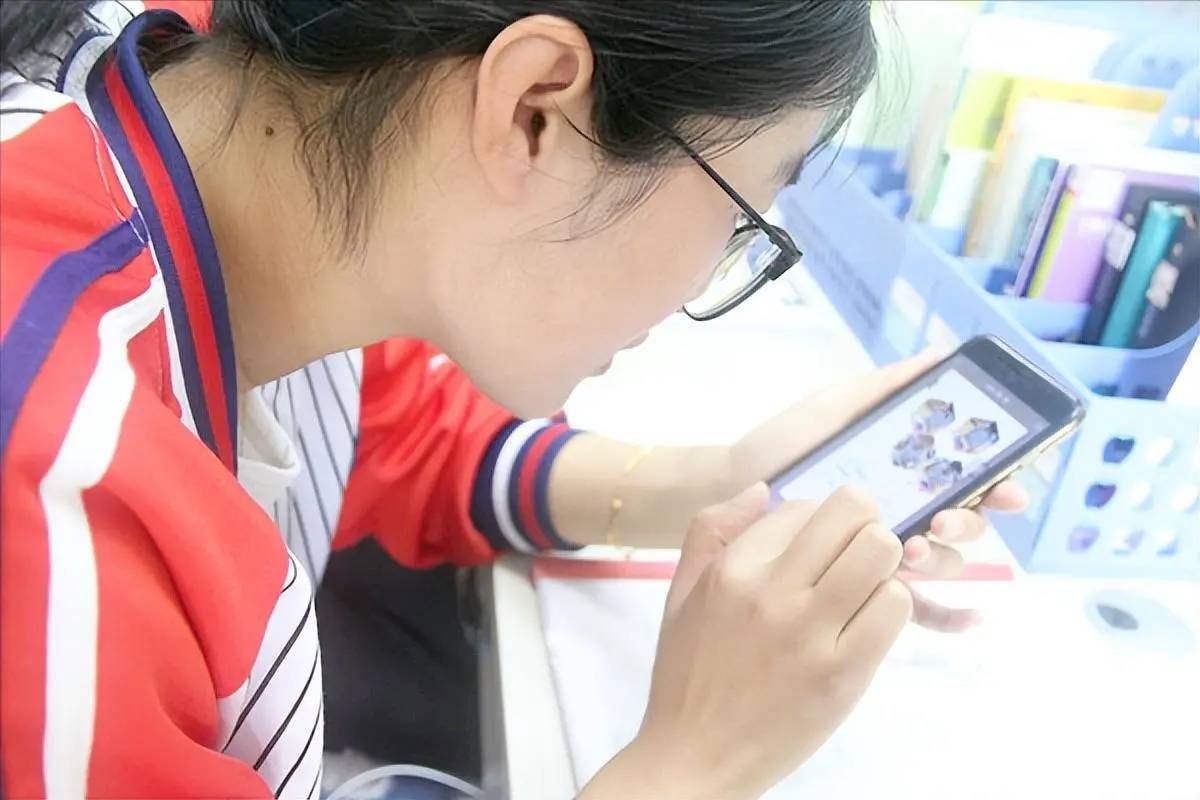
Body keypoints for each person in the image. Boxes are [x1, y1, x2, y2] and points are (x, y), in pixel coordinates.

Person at [0, 1, 1027, 797]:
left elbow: (403, 443)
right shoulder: (52, 499)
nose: (712, 274)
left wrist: (725, 482)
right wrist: (696, 762)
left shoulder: (223, 147)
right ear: (535, 108)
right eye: (743, 215)